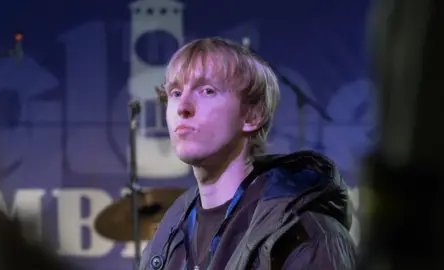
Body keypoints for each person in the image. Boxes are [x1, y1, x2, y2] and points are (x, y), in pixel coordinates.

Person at [139, 37, 356, 270]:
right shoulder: (166, 239)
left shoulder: (307, 235)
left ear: (252, 115)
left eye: (207, 91)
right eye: (176, 92)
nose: (183, 107)